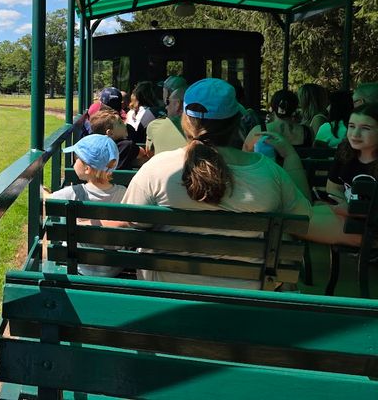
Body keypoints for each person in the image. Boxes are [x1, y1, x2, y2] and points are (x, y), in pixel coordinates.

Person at [120, 78, 360, 290]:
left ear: (185, 120)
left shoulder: (157, 169)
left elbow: (131, 221)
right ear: (237, 121)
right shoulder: (269, 173)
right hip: (249, 295)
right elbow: (304, 221)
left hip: (169, 294)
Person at [48, 134, 126, 277]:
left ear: (87, 169)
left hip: (79, 267)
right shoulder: (124, 193)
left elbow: (47, 202)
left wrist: (43, 190)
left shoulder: (74, 193)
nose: (74, 162)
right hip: (113, 268)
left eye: (76, 159)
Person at [326, 103, 378, 210]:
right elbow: (333, 187)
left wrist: (353, 210)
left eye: (365, 128)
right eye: (351, 126)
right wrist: (344, 205)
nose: (355, 134)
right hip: (346, 218)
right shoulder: (344, 151)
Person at [244, 90, 313, 150]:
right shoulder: (308, 132)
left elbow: (245, 156)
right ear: (295, 107)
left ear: (273, 106)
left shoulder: (258, 131)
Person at [145, 85, 186, 156]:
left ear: (178, 104)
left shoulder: (155, 126)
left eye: (168, 102)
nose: (166, 107)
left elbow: (149, 153)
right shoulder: (203, 130)